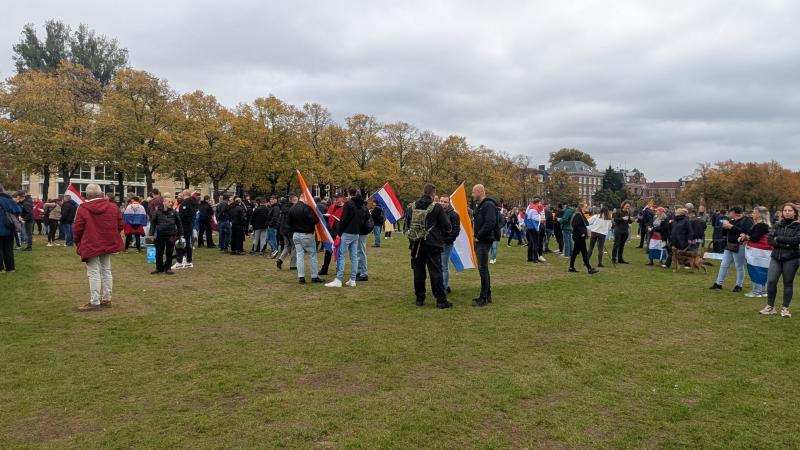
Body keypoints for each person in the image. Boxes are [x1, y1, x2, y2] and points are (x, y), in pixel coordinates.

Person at [71, 183, 124, 311]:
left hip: (91, 243)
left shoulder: (83, 208)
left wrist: (76, 240)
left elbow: (78, 227)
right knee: (106, 270)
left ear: (87, 194)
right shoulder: (113, 207)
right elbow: (120, 225)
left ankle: (95, 302)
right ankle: (106, 299)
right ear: (100, 193)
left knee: (94, 272)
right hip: (107, 242)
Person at [405, 183, 452, 307]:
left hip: (416, 243)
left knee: (418, 272)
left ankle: (420, 298)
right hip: (432, 243)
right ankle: (440, 300)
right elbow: (447, 225)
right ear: (433, 194)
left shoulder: (413, 206)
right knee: (435, 272)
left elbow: (408, 223)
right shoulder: (436, 207)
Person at [760, 203, 800, 317]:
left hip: (791, 258)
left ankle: (785, 308)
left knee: (788, 283)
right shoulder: (777, 224)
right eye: (785, 210)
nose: (787, 212)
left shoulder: (798, 226)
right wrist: (785, 244)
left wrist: (780, 239)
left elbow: (796, 240)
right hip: (776, 257)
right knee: (771, 281)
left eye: (790, 210)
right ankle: (770, 307)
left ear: (795, 212)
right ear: (782, 212)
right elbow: (770, 239)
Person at [710, 206, 754, 292]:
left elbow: (746, 232)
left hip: (740, 245)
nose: (729, 214)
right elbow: (726, 232)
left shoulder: (747, 220)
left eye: (730, 212)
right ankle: (718, 283)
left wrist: (731, 227)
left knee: (739, 266)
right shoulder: (731, 220)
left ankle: (738, 285)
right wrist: (724, 227)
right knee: (723, 265)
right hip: (729, 245)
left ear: (734, 213)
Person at [326, 188, 363, 288]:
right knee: (354, 256)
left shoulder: (349, 204)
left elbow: (344, 219)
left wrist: (339, 233)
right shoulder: (360, 204)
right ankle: (353, 279)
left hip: (347, 232)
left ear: (348, 195)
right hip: (356, 233)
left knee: (341, 255)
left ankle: (338, 279)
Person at [472, 184, 499, 306]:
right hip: (482, 239)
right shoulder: (482, 206)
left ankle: (484, 298)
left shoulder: (488, 205)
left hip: (484, 240)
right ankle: (487, 295)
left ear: (479, 192)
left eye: (473, 192)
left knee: (483, 269)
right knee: (483, 268)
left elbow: (490, 223)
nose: (472, 195)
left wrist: (479, 236)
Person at [288, 194, 325, 284]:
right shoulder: (307, 208)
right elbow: (315, 220)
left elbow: (288, 222)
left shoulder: (292, 208)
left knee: (299, 255)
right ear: (305, 198)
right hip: (306, 234)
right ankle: (314, 276)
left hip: (296, 234)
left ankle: (301, 277)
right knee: (312, 255)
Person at [148, 193, 183, 275]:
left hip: (171, 235)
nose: (170, 203)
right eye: (168, 202)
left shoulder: (174, 212)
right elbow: (153, 223)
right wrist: (151, 234)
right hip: (160, 234)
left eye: (171, 202)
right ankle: (159, 268)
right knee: (159, 252)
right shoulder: (157, 212)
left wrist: (181, 234)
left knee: (169, 252)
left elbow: (179, 223)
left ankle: (168, 268)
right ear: (163, 202)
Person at [744, 206, 772, 298]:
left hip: (758, 252)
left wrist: (746, 237)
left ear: (760, 214)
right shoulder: (760, 225)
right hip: (760, 252)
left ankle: (757, 291)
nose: (752, 214)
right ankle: (763, 291)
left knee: (756, 270)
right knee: (762, 270)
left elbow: (755, 238)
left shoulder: (762, 225)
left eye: (754, 212)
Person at [569, 203, 599, 274]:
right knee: (584, 252)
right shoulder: (578, 215)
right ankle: (589, 269)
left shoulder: (580, 215)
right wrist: (582, 232)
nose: (587, 209)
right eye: (586, 207)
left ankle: (571, 267)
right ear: (582, 208)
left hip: (578, 237)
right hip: (579, 237)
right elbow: (575, 224)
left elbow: (583, 224)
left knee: (575, 252)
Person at [439, 194, 460, 295]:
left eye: (445, 201)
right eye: (441, 201)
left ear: (449, 203)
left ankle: (444, 286)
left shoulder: (454, 215)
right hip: (437, 243)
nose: (442, 203)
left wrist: (448, 240)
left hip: (446, 244)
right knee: (440, 265)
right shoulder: (437, 212)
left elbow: (456, 230)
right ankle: (444, 285)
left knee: (444, 266)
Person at [319, 193, 344, 275]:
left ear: (342, 198)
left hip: (340, 233)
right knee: (328, 251)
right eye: (335, 198)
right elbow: (328, 216)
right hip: (330, 232)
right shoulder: (332, 206)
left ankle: (339, 270)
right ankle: (324, 269)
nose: (336, 199)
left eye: (337, 198)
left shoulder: (345, 208)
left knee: (339, 252)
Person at [0, 184, 22, 272]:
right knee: (8, 248)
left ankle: (0, 268)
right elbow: (18, 210)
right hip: (8, 227)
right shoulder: (8, 200)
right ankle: (10, 268)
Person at [175, 189, 199, 267]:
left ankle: (181, 260)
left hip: (184, 225)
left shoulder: (186, 202)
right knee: (188, 242)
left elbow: (182, 215)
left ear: (184, 194)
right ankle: (188, 260)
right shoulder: (194, 202)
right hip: (190, 224)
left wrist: (177, 219)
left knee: (181, 242)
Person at [277, 195, 298, 269]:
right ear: (293, 200)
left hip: (284, 230)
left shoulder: (284, 208)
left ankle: (280, 259)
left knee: (287, 246)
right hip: (291, 231)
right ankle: (293, 265)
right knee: (294, 247)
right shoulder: (294, 209)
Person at [356, 196, 373, 281]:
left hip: (361, 232)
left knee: (361, 252)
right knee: (359, 252)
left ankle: (363, 273)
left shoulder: (362, 209)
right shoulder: (364, 208)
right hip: (363, 231)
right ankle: (360, 271)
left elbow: (361, 221)